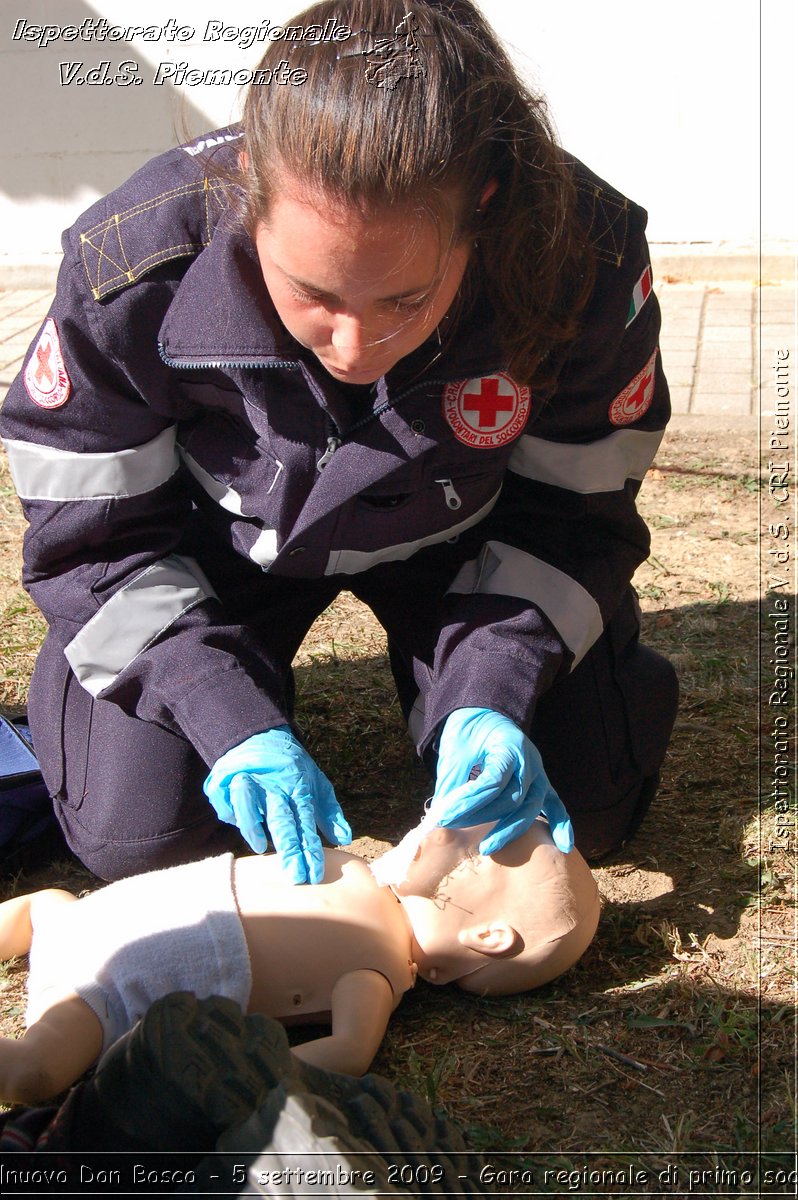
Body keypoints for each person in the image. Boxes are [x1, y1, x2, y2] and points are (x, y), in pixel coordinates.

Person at [0, 0, 678, 885]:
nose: (354, 349)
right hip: (216, 554)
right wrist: (219, 708)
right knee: (143, 843)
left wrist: (496, 685)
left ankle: (450, 692)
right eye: (314, 292)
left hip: (464, 542)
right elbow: (94, 543)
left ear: (484, 204)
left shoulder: (580, 257)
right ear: (251, 187)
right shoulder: (129, 271)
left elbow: (577, 513)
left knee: (580, 815)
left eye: (404, 299)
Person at [0, 818, 600, 1105]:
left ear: (491, 937)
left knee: (35, 1074)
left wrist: (226, 1079)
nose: (445, 824)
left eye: (476, 846)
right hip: (79, 917)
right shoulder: (357, 867)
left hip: (107, 992)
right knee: (44, 907)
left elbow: (348, 1051)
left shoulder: (378, 968)